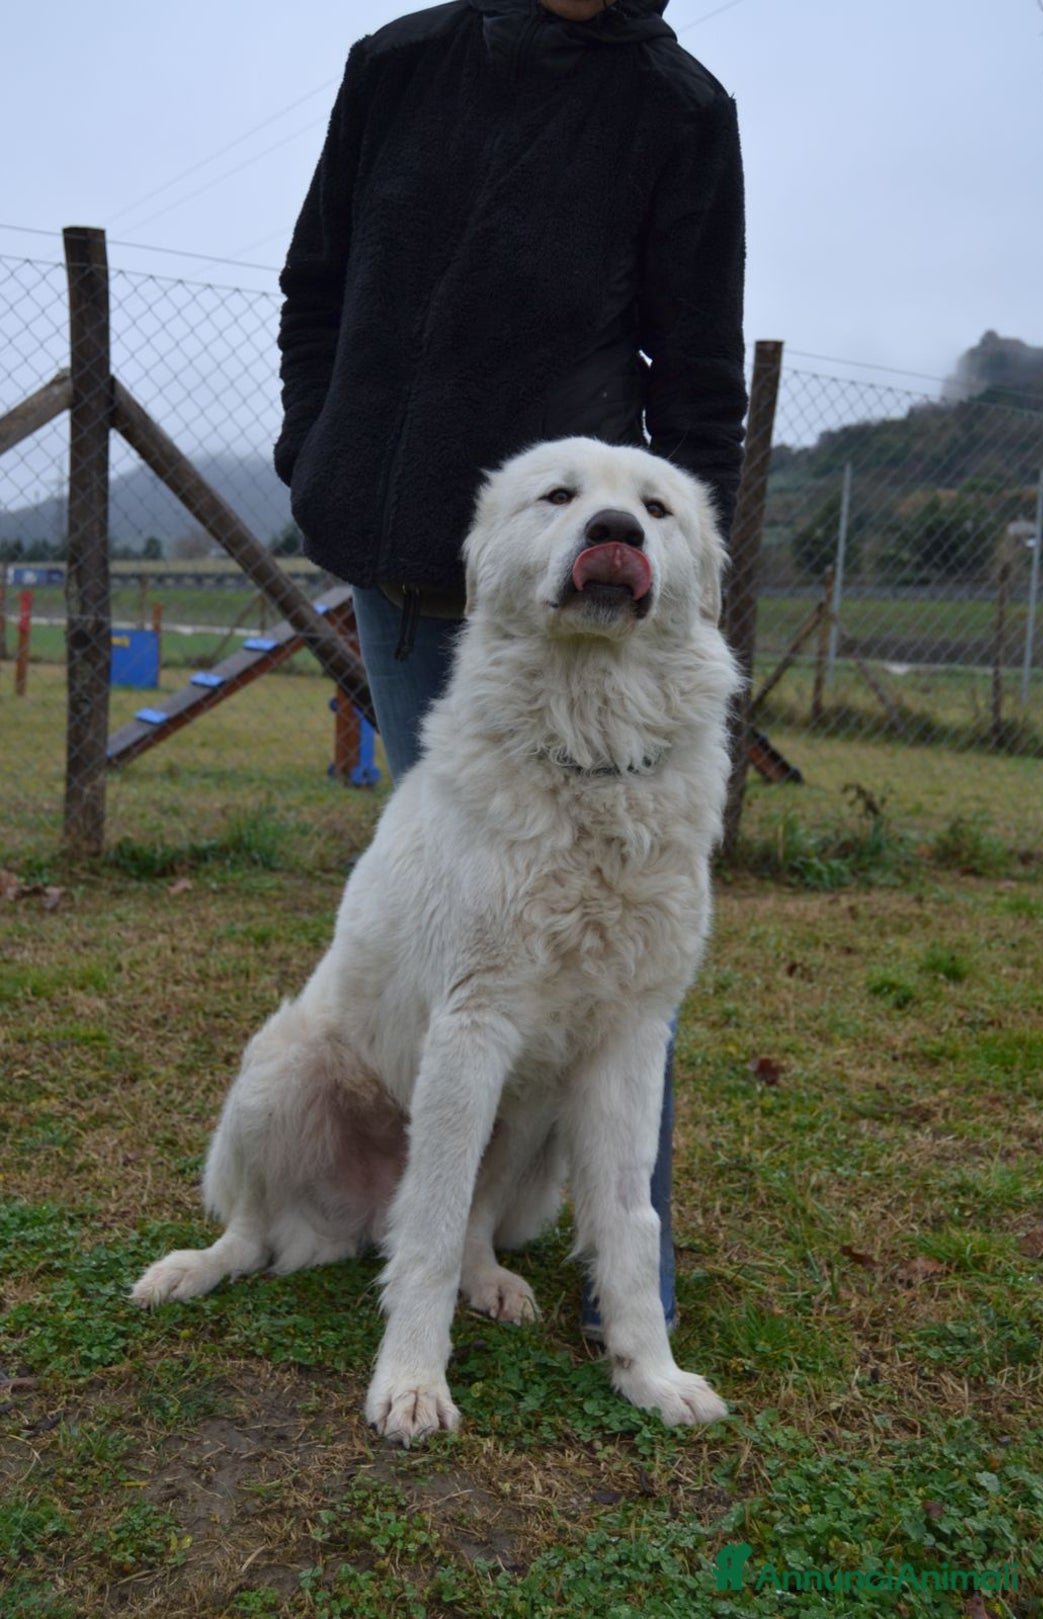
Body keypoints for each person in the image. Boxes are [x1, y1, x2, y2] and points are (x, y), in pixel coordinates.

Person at [274, 0, 747, 1338]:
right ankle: (442, 1231)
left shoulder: (679, 111)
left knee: (619, 930)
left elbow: (699, 380)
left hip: (570, 596)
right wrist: (321, 459)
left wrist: (673, 564)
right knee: (470, 936)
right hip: (399, 563)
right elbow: (320, 283)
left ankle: (623, 1275)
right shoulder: (400, 65)